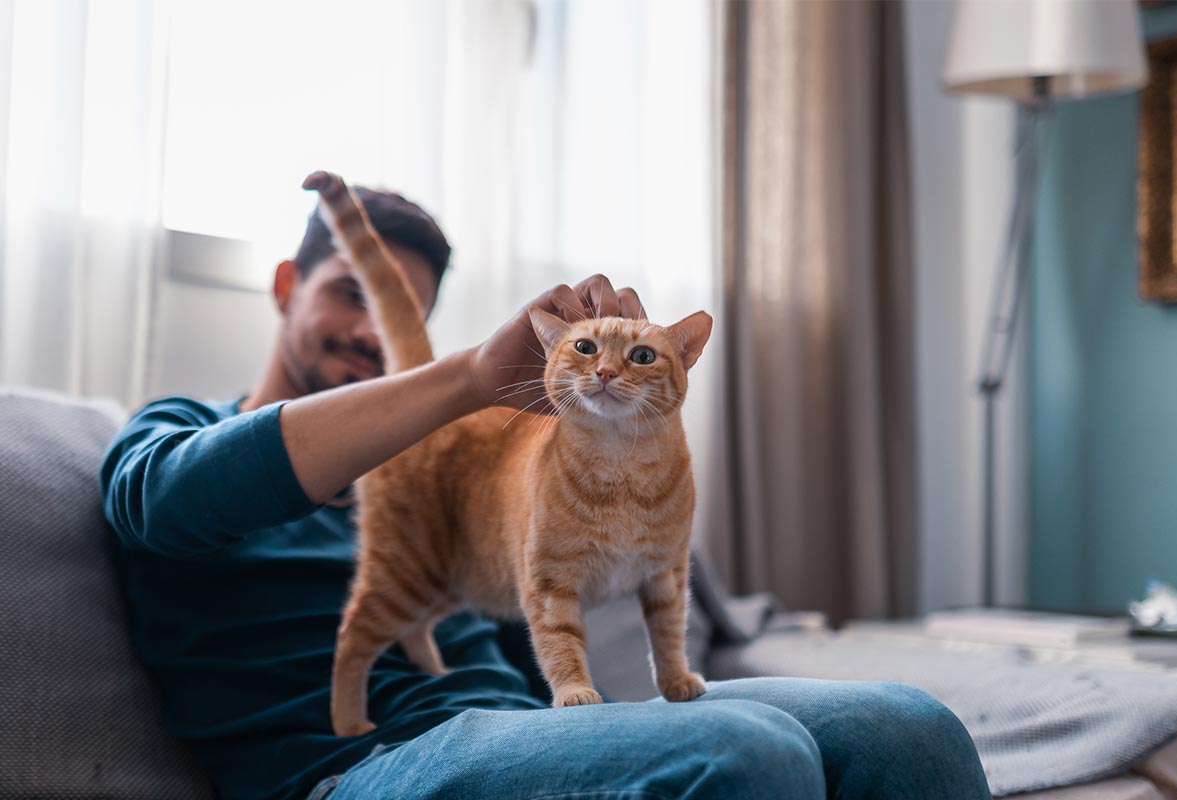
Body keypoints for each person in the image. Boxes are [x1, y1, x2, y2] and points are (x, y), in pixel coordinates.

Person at [100, 187, 991, 800]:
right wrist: (463, 381)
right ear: (288, 287)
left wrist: (608, 400)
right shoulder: (175, 430)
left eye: (401, 310)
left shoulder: (447, 460)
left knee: (908, 726)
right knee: (747, 752)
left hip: (514, 730)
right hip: (351, 773)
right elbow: (171, 504)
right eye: (348, 293)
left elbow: (540, 582)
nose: (373, 331)